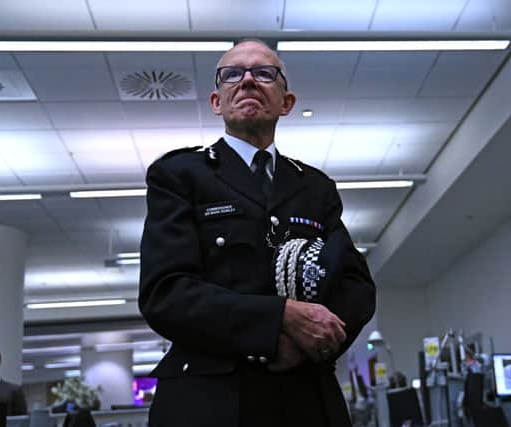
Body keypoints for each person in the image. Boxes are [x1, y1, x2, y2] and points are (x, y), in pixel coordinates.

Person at [139, 39, 376, 427]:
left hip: (305, 395)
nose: (248, 80)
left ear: (286, 101)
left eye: (264, 73)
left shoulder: (315, 187)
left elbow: (356, 286)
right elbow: (164, 292)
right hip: (208, 399)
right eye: (233, 74)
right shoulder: (180, 176)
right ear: (218, 101)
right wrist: (279, 319)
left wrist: (311, 342)